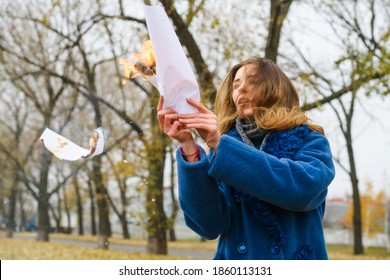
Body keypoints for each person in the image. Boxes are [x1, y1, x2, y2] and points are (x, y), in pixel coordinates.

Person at [157, 56, 335, 260]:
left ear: (276, 88)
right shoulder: (223, 149)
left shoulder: (310, 140)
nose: (241, 89)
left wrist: (220, 145)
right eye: (236, 84)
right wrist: (188, 145)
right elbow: (209, 226)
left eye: (252, 81)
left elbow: (302, 190)